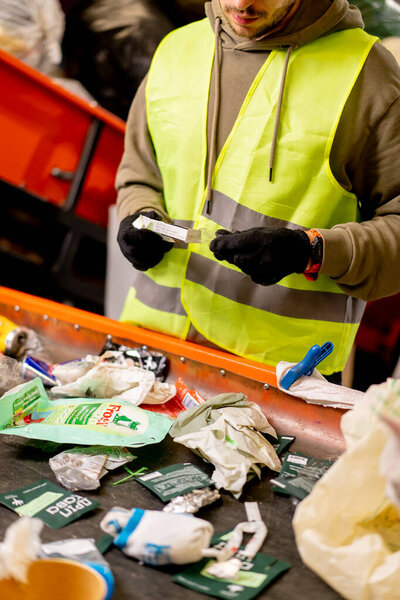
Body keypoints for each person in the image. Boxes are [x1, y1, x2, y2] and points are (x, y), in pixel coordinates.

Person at [115, 0, 400, 378]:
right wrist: (140, 213)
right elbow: (141, 170)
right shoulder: (175, 50)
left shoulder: (369, 77)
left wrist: (311, 251)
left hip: (280, 376)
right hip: (149, 352)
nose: (240, 3)